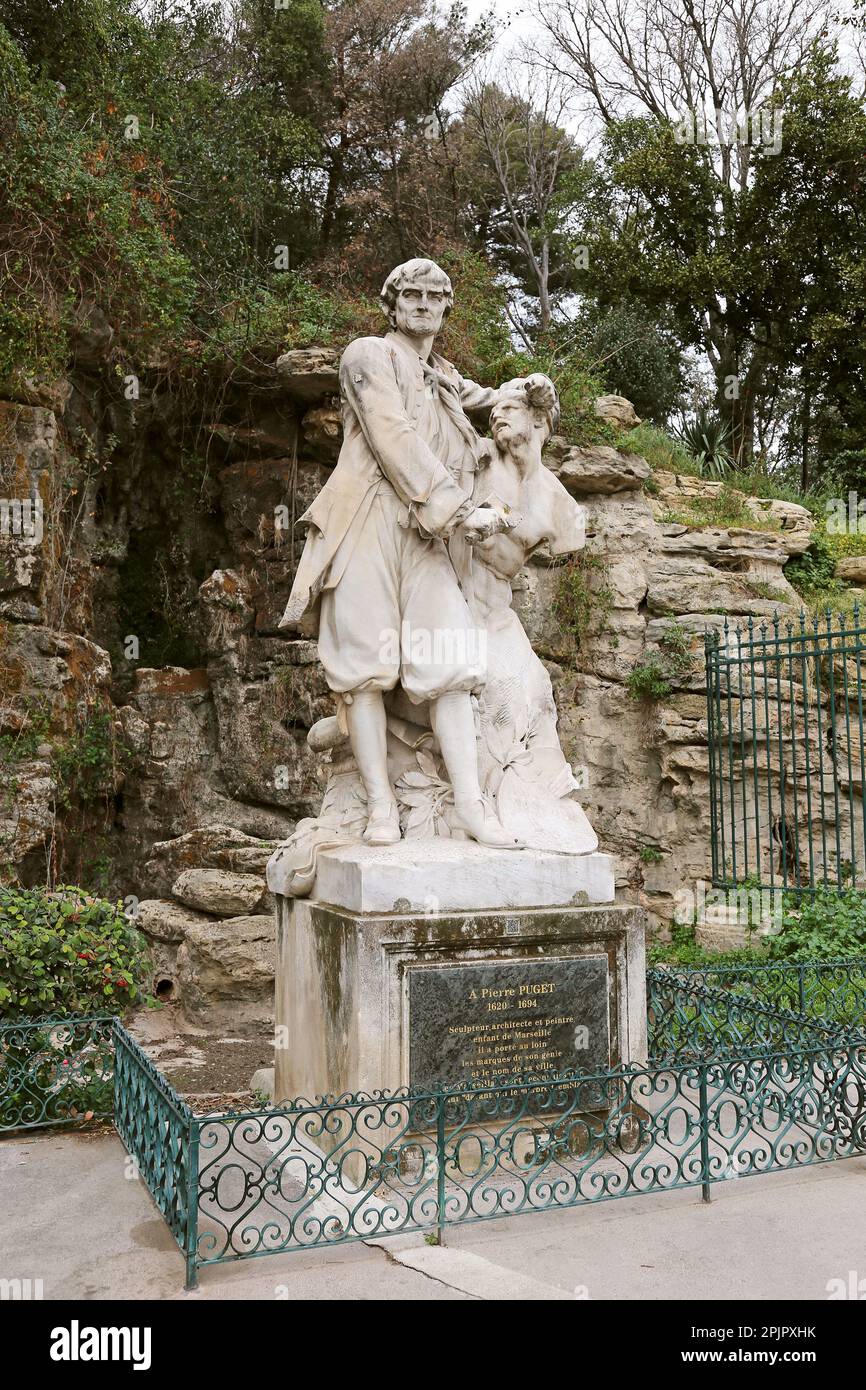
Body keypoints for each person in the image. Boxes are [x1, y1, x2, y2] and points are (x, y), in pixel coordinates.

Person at [278, 257, 556, 848]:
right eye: (413, 294)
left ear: (446, 308)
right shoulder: (367, 356)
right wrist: (461, 510)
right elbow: (393, 436)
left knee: (452, 663)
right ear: (393, 303)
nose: (424, 304)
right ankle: (380, 807)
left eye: (435, 296)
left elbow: (494, 399)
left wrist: (528, 391)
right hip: (370, 522)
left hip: (428, 537)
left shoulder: (447, 377)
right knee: (365, 672)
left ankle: (473, 810)